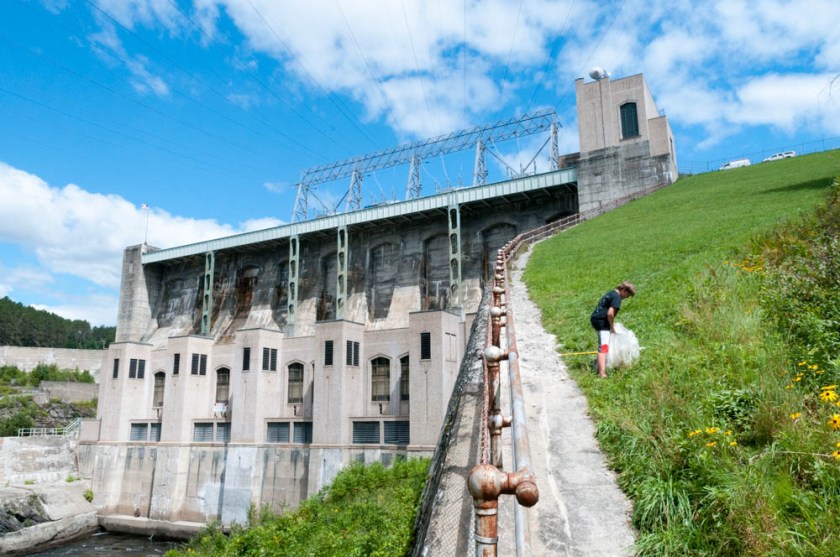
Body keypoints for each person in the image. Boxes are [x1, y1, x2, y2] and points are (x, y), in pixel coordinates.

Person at [590, 281, 636, 378]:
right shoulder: (617, 297)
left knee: (603, 345)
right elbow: (610, 313)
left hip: (596, 319)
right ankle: (602, 373)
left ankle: (600, 365)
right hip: (602, 322)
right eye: (627, 295)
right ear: (624, 290)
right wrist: (612, 327)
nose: (625, 298)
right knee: (603, 347)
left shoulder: (611, 293)